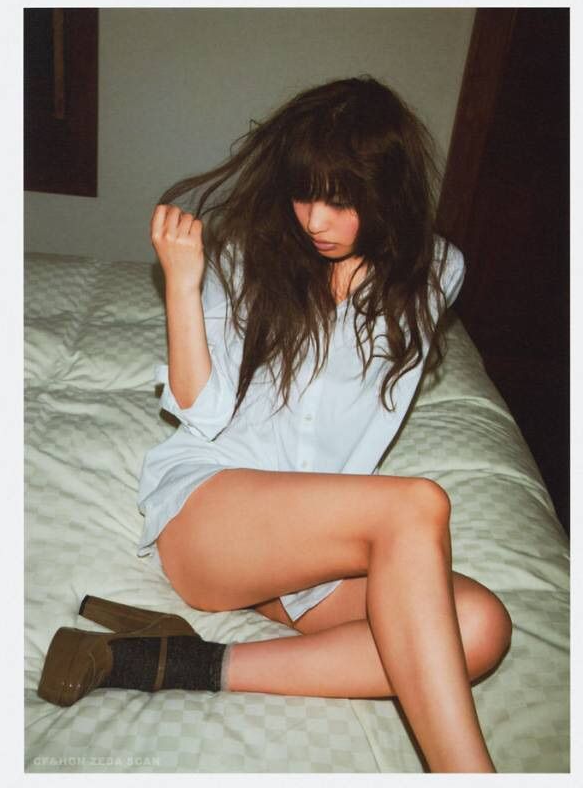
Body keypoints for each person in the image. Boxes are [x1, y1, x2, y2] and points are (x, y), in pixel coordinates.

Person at [37, 76, 512, 773]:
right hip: (211, 516)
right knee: (416, 504)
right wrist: (183, 285)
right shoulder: (251, 258)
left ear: (387, 191)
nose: (315, 219)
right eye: (303, 194)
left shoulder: (436, 271)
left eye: (341, 199)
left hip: (308, 553)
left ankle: (182, 662)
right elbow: (199, 409)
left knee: (481, 626)